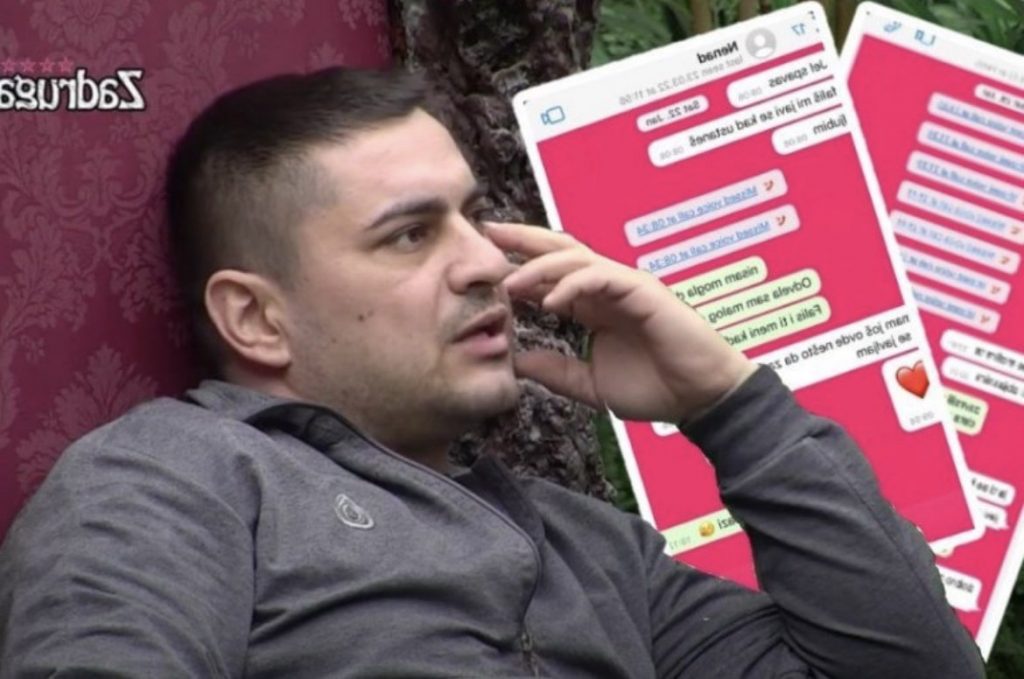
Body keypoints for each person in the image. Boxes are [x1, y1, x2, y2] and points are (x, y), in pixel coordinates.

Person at [0, 68, 984, 679]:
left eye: (473, 218)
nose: (486, 263)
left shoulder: (598, 551)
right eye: (410, 235)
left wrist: (728, 405)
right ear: (257, 317)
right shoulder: (169, 480)